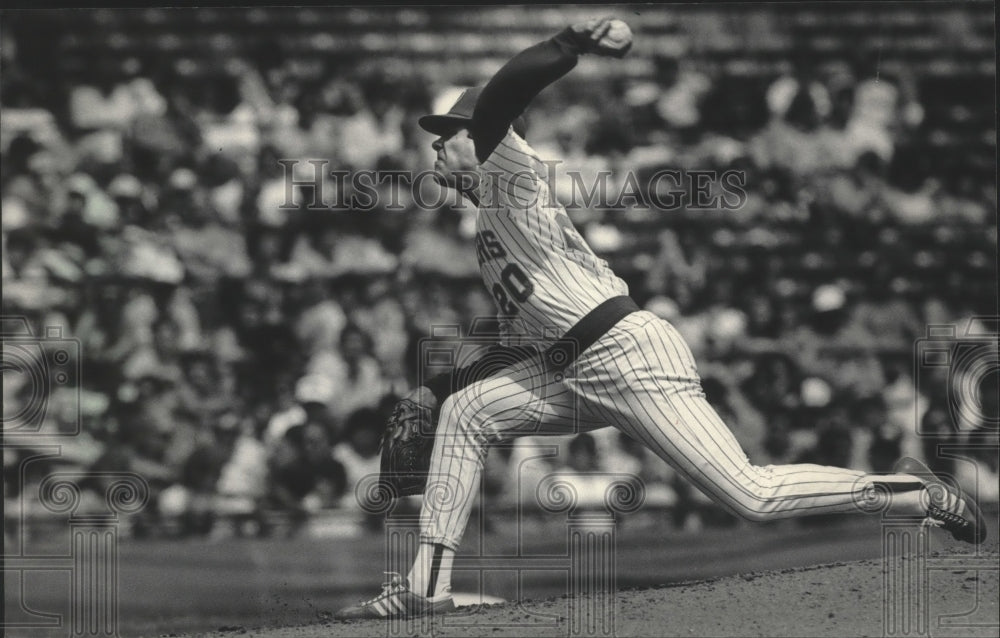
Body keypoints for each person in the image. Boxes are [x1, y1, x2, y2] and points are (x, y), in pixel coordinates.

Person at [334, 16, 985, 620]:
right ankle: (425, 588)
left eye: (448, 132)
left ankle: (913, 494)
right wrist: (438, 386)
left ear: (482, 137)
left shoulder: (511, 171)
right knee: (466, 411)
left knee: (751, 496)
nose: (437, 144)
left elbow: (503, 96)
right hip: (570, 369)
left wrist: (568, 44)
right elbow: (517, 348)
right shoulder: (488, 229)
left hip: (627, 356)